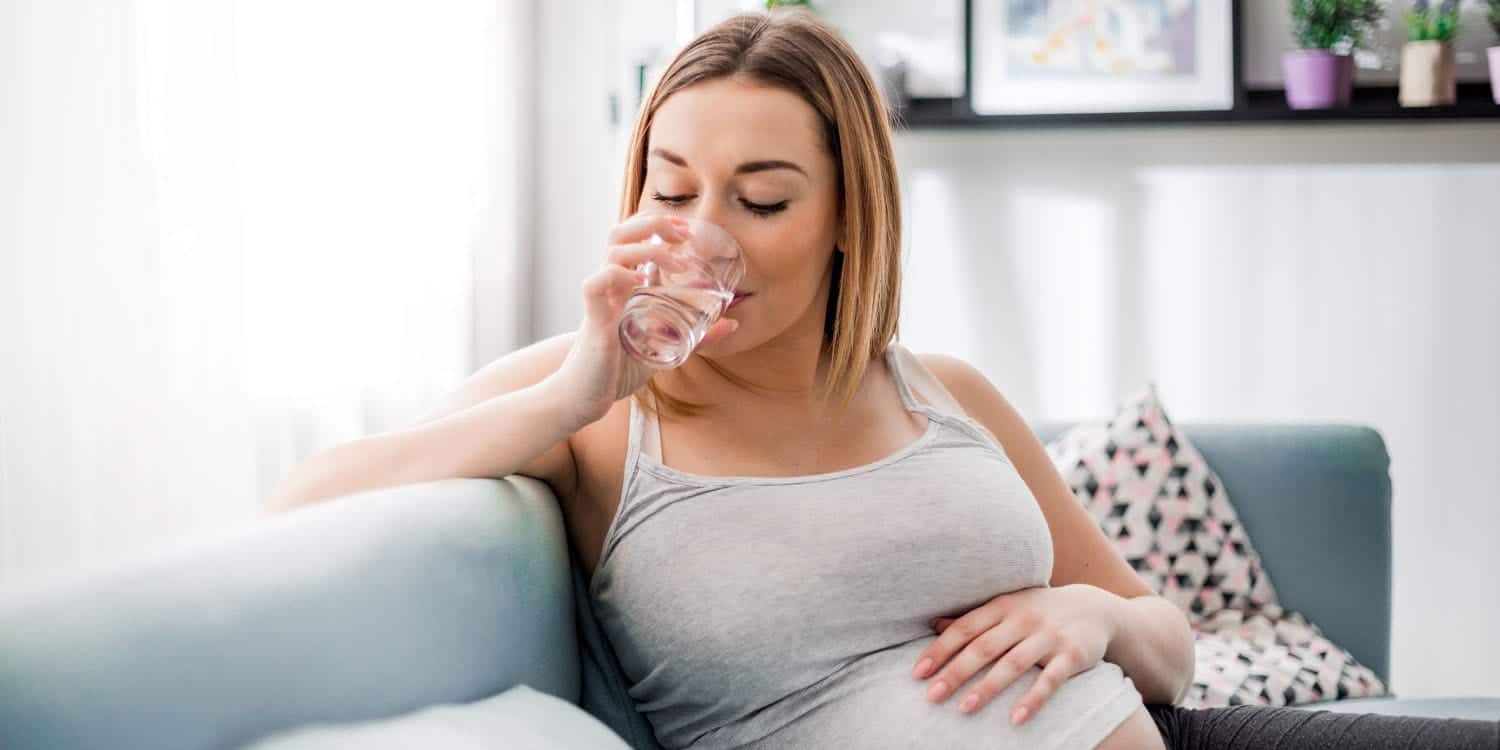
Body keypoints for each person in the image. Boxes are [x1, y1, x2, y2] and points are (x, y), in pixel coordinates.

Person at [265, 10, 1500, 750]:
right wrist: (572, 391)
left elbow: (1170, 643)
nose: (707, 236)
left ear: (851, 214)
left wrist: (1093, 618)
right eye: (673, 188)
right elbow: (309, 498)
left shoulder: (946, 390)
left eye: (762, 199)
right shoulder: (599, 402)